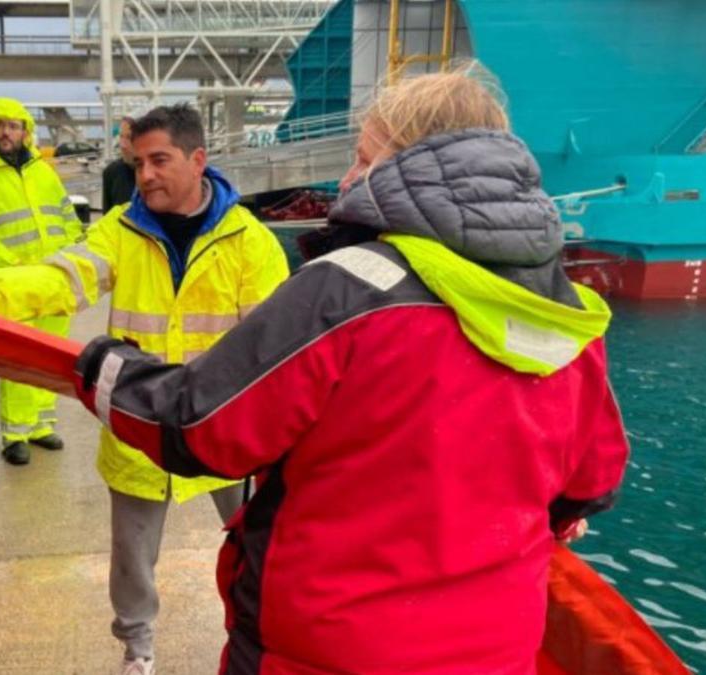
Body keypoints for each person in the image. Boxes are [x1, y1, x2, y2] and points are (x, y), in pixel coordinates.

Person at [73, 65, 629, 674]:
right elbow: (590, 484)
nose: (345, 179)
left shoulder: (345, 293)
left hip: (328, 647)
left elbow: (199, 425)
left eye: (362, 159)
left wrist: (106, 366)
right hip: (495, 651)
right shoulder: (567, 315)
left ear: (408, 167)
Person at [0, 103, 289, 675]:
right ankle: (137, 650)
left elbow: (274, 339)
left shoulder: (250, 242)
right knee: (132, 555)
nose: (145, 176)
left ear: (198, 160)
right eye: (137, 163)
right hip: (141, 420)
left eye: (159, 160)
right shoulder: (121, 229)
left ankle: (260, 635)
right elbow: (66, 273)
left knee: (262, 544)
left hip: (224, 423)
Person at [0, 97, 83, 466]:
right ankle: (15, 434)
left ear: (26, 131)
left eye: (14, 125)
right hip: (12, 283)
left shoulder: (44, 171)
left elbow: (67, 217)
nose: (7, 132)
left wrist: (70, 257)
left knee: (52, 352)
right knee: (19, 357)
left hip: (54, 279)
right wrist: (13, 265)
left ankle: (41, 426)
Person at [102, 116, 137, 209]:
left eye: (129, 137)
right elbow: (107, 219)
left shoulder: (159, 175)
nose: (123, 145)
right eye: (121, 136)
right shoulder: (111, 173)